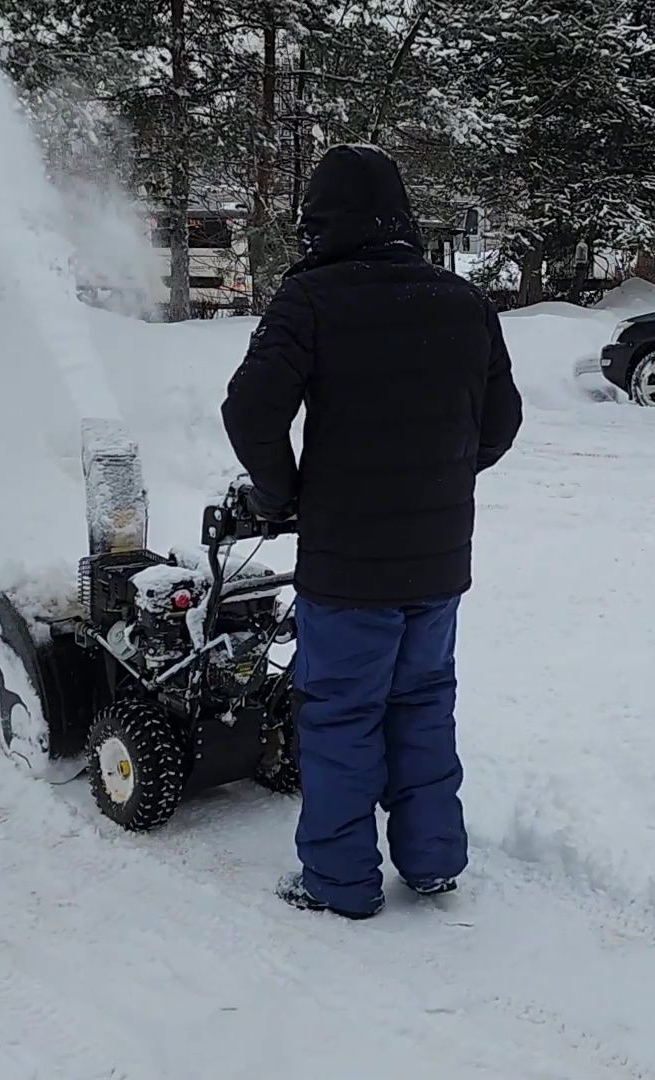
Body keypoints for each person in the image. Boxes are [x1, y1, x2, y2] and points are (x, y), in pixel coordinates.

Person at [221, 144, 523, 920]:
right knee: (423, 704)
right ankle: (432, 863)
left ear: (322, 219)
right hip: (438, 563)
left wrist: (285, 496)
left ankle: (338, 881)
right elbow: (502, 421)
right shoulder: (462, 302)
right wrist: (445, 480)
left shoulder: (312, 300)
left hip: (348, 566)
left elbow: (250, 411)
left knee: (343, 716)